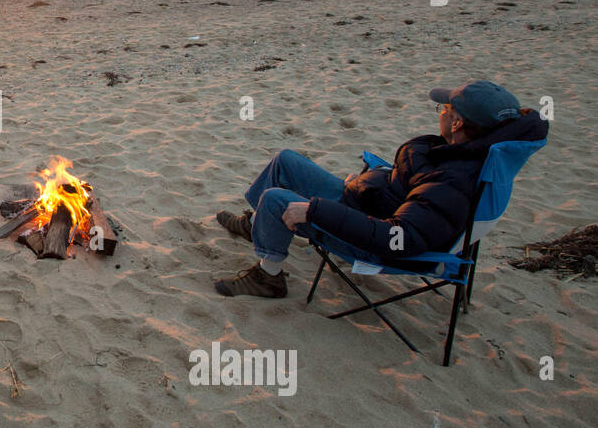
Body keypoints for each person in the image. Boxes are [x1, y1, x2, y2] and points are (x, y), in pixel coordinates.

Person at [213, 80, 548, 298]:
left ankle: (268, 276)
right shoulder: (468, 154)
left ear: (458, 123)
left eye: (445, 109)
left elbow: (399, 239)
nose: (441, 113)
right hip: (368, 204)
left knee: (276, 199)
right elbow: (417, 197)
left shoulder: (453, 181)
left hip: (371, 240)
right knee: (285, 160)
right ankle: (259, 226)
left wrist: (315, 210)